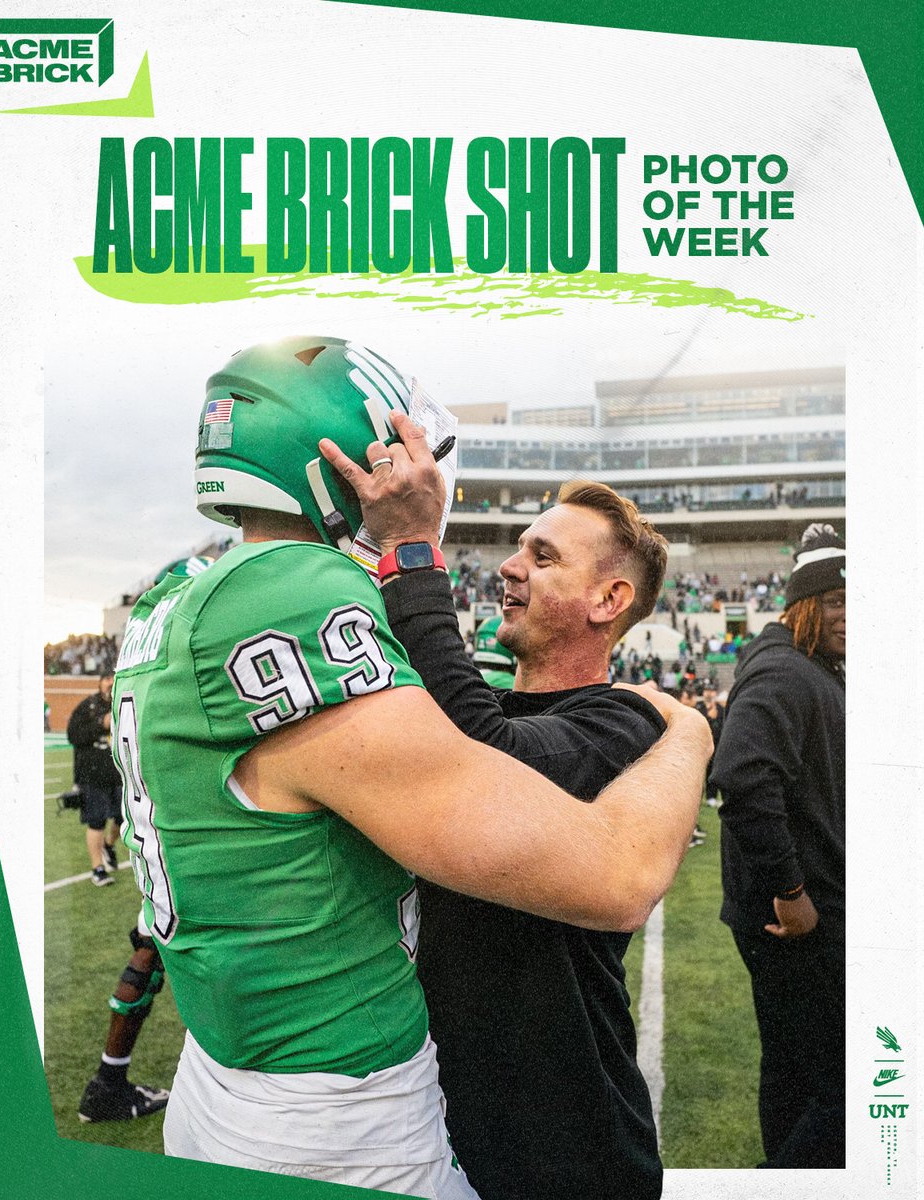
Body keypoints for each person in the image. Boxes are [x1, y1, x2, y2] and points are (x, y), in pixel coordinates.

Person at [112, 335, 710, 1197]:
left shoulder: (179, 594)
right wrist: (687, 731)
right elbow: (613, 871)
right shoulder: (295, 591)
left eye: (542, 556)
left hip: (236, 1071)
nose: (508, 562)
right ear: (340, 461)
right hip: (330, 1108)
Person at [321, 430, 700, 1199]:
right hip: (446, 1120)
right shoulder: (490, 706)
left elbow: (489, 761)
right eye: (519, 547)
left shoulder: (625, 717)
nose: (509, 566)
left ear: (610, 599)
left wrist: (416, 550)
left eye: (544, 557)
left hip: (565, 1142)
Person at [710, 523, 845, 1168]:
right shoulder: (784, 670)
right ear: (803, 605)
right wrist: (791, 892)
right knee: (844, 1084)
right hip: (797, 917)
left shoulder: (808, 665)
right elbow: (740, 774)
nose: (849, 617)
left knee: (795, 1070)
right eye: (837, 602)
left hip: (797, 908)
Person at [78, 560, 215, 1124]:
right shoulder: (191, 653)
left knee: (149, 949)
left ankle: (108, 1081)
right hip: (199, 835)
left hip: (155, 841)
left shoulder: (137, 666)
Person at [65, 673, 122, 886]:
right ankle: (97, 869)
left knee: (122, 818)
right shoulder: (87, 706)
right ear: (100, 683)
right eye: (107, 679)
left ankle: (109, 845)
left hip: (117, 774)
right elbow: (73, 736)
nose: (110, 683)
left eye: (114, 679)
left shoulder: (123, 705)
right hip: (92, 775)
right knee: (96, 821)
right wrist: (101, 723)